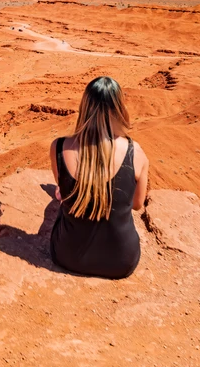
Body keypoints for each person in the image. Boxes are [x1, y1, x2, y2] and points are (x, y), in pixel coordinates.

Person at [49, 76, 148, 279]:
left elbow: (64, 186)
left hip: (68, 257)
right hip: (121, 262)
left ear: (84, 105)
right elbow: (137, 205)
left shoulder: (58, 147)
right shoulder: (134, 151)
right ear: (119, 107)